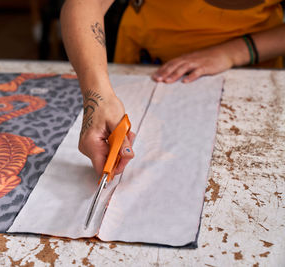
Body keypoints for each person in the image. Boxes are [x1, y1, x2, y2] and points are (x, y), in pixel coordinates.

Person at [60, 0, 285, 176]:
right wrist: (98, 96)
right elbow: (85, 4)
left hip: (253, 70)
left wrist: (235, 52)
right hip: (149, 67)